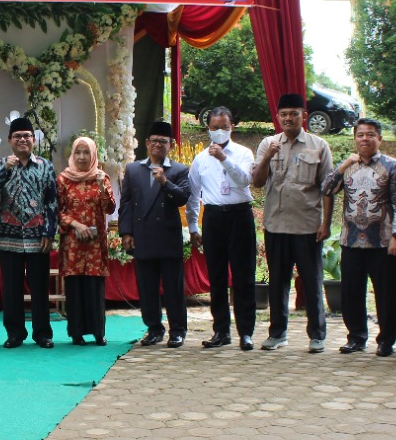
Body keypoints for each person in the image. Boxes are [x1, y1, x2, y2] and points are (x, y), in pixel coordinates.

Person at [251, 92, 335, 353]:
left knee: (312, 281)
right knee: (278, 282)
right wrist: (267, 156)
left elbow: (328, 188)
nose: (288, 118)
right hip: (276, 225)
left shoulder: (318, 145)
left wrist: (326, 223)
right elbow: (257, 181)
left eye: (293, 114)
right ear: (278, 117)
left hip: (307, 226)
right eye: (284, 114)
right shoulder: (268, 143)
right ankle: (277, 333)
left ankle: (317, 335)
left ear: (304, 116)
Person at [322, 117, 396, 356]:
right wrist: (341, 167)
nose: (365, 139)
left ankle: (386, 340)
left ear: (379, 138)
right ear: (355, 138)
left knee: (386, 293)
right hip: (351, 241)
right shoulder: (348, 165)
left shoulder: (392, 166)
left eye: (370, 134)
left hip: (381, 241)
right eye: (360, 135)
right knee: (351, 293)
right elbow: (326, 189)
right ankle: (356, 337)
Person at [187, 107, 257, 350]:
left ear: (232, 127)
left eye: (223, 127)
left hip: (240, 216)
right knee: (216, 277)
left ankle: (246, 332)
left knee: (244, 276)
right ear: (208, 128)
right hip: (214, 217)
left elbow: (245, 180)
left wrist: (224, 159)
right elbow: (194, 194)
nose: (219, 131)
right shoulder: (199, 159)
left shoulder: (243, 153)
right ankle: (221, 331)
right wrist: (194, 226)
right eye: (214, 127)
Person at [119, 120, 191, 348]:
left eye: (164, 141)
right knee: (147, 288)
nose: (158, 145)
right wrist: (126, 232)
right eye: (155, 141)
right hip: (143, 235)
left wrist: (164, 182)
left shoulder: (179, 170)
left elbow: (182, 198)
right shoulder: (133, 169)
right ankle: (153, 328)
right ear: (147, 143)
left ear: (171, 145)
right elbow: (127, 202)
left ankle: (177, 330)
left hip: (168, 237)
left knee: (174, 288)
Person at [0, 117, 59, 349]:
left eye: (27, 136)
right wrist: (6, 169)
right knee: (12, 288)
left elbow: (52, 201)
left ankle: (42, 334)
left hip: (38, 235)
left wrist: (49, 232)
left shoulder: (46, 166)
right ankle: (15, 333)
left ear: (34, 140)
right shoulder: (0, 164)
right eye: (17, 136)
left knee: (40, 286)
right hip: (9, 236)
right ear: (10, 140)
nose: (22, 140)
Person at [57, 136, 116, 346]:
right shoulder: (63, 179)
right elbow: (57, 211)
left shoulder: (101, 177)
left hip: (94, 244)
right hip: (73, 242)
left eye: (86, 152)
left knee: (94, 286)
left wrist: (101, 186)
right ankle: (77, 333)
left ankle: (99, 332)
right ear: (73, 155)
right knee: (75, 287)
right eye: (78, 153)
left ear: (93, 154)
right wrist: (75, 224)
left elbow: (109, 208)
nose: (82, 157)